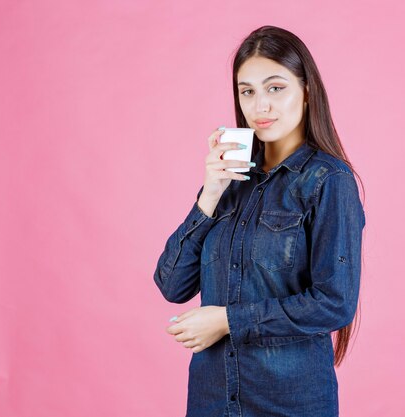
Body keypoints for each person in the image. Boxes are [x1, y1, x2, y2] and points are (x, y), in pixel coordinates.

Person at [153, 25, 366, 417]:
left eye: (275, 88)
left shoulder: (328, 181)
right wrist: (210, 193)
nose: (260, 106)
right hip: (213, 400)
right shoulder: (231, 180)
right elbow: (171, 285)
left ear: (306, 89)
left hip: (289, 402)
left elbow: (334, 303)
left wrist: (227, 320)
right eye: (247, 91)